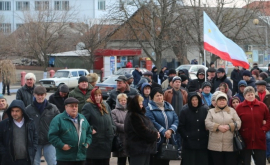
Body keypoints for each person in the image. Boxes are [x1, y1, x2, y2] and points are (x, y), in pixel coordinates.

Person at [48, 97, 92, 165]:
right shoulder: (58, 119)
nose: (74, 108)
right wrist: (62, 145)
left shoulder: (82, 118)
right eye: (71, 106)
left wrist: (87, 143)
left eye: (76, 106)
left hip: (80, 157)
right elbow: (52, 136)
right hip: (65, 158)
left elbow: (89, 132)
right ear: (66, 107)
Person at [25, 86, 60, 165]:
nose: (40, 97)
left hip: (49, 141)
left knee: (52, 162)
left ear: (45, 94)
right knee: (34, 162)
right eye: (38, 94)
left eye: (42, 94)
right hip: (34, 142)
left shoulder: (53, 108)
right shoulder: (28, 109)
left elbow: (59, 122)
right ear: (34, 94)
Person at [236, 86, 270, 165]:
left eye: (252, 94)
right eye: (248, 95)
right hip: (245, 140)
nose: (251, 96)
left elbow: (268, 119)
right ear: (244, 96)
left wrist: (264, 129)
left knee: (260, 161)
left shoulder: (262, 106)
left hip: (259, 138)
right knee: (245, 162)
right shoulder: (239, 107)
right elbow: (236, 120)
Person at [81, 87, 115, 165]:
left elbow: (111, 118)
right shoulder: (88, 107)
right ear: (92, 96)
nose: (98, 97)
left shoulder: (105, 105)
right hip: (95, 143)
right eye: (96, 95)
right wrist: (90, 129)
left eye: (99, 95)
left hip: (106, 141)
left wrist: (113, 128)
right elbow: (83, 122)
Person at [205, 93, 241, 165]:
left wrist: (229, 126)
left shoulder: (232, 111)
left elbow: (238, 123)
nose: (222, 102)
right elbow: (207, 123)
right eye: (220, 100)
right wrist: (218, 127)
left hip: (230, 144)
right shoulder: (211, 111)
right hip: (215, 145)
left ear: (226, 101)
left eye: (223, 100)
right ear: (216, 101)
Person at [145, 87, 179, 165]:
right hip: (157, 139)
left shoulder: (169, 106)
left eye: (161, 95)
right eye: (157, 96)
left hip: (169, 139)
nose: (159, 97)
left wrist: (170, 130)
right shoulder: (149, 109)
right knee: (156, 161)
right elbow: (152, 122)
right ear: (153, 97)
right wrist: (164, 132)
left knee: (166, 160)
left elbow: (176, 119)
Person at [0, 100, 38, 165]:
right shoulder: (4, 124)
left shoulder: (30, 123)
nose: (14, 113)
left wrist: (33, 150)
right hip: (9, 161)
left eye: (17, 111)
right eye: (12, 111)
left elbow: (35, 137)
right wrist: (4, 153)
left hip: (27, 160)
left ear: (22, 111)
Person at [124, 95, 158, 165]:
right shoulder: (133, 116)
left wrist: (155, 131)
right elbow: (143, 131)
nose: (142, 105)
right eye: (140, 103)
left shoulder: (139, 115)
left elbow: (149, 126)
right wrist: (155, 134)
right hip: (138, 149)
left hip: (144, 148)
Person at [178, 92, 209, 165]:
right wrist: (186, 136)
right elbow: (180, 126)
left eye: (196, 99)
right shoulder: (184, 111)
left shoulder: (204, 110)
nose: (195, 102)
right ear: (190, 101)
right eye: (193, 100)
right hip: (189, 143)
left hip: (202, 143)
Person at [111, 93, 129, 165]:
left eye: (124, 100)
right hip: (121, 139)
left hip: (130, 139)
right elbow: (115, 123)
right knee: (121, 160)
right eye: (121, 100)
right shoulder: (114, 112)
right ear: (118, 101)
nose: (123, 102)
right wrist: (126, 127)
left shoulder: (129, 111)